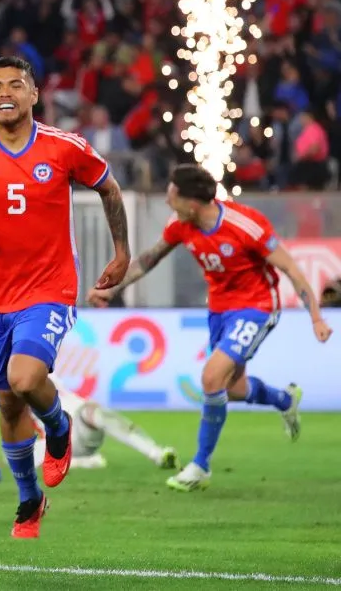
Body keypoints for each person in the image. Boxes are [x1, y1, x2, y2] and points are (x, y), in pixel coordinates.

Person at [0, 56, 131, 539]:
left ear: (34, 95)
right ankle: (28, 500)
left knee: (24, 377)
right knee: (9, 405)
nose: (5, 93)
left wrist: (121, 253)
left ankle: (58, 429)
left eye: (16, 84)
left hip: (49, 288)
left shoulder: (64, 147)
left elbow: (110, 188)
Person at [88, 163, 333, 491]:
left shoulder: (246, 226)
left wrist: (315, 316)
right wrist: (111, 288)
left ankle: (200, 466)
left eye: (172, 195)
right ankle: (284, 400)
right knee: (231, 388)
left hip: (257, 307)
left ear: (192, 203)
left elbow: (291, 268)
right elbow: (149, 259)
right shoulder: (180, 224)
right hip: (219, 310)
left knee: (211, 377)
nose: (166, 201)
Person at [32, 376, 177, 471]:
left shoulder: (43, 370)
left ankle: (156, 453)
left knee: (94, 411)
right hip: (56, 441)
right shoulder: (17, 383)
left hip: (79, 424)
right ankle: (76, 461)